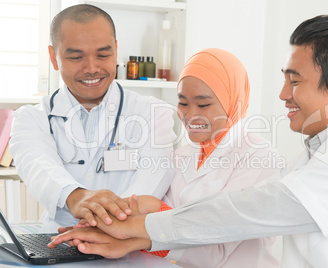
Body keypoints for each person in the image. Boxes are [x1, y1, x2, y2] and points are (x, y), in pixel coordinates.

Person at [49, 15, 328, 267]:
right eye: (182, 102)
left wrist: (139, 226)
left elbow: (250, 211)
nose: (282, 94)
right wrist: (125, 220)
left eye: (294, 81)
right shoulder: (313, 156)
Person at [56, 48, 283, 267]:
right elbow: (167, 228)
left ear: (233, 101)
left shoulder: (259, 160)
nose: (191, 114)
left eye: (203, 104)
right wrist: (104, 227)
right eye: (183, 103)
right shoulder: (183, 155)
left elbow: (214, 252)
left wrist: (150, 212)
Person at [9, 4, 176, 230]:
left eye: (103, 55)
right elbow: (38, 166)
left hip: (128, 248)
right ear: (54, 57)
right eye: (76, 57)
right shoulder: (30, 119)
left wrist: (108, 223)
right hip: (57, 242)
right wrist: (75, 196)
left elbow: (151, 182)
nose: (91, 68)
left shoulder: (153, 113)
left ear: (116, 50)